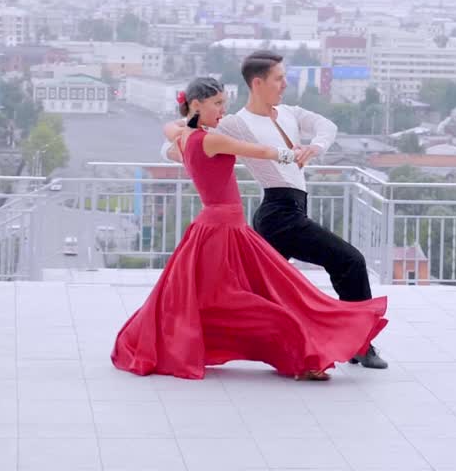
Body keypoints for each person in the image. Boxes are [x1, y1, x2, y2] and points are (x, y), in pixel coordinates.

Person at [113, 77, 388, 381]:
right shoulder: (209, 139)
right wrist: (290, 154)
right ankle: (303, 354)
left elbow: (172, 128)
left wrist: (186, 119)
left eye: (224, 103)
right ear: (195, 104)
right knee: (265, 294)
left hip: (218, 227)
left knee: (232, 295)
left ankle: (300, 352)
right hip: (222, 230)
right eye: (217, 103)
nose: (222, 110)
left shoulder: (184, 137)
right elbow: (255, 150)